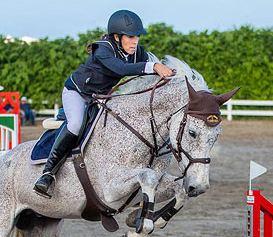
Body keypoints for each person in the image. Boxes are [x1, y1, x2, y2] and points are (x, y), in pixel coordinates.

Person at [33, 10, 175, 199]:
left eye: (137, 37)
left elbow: (152, 67)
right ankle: (47, 174)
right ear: (117, 37)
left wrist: (169, 75)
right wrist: (154, 67)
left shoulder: (136, 53)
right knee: (75, 124)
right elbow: (121, 69)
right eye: (131, 37)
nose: (135, 42)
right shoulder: (103, 49)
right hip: (77, 93)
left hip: (101, 97)